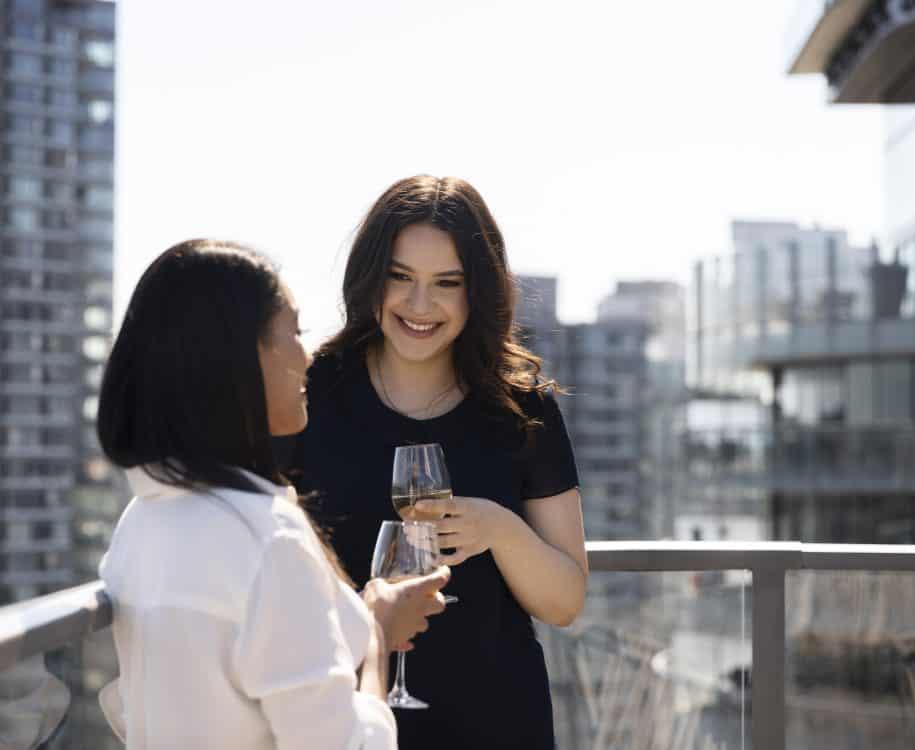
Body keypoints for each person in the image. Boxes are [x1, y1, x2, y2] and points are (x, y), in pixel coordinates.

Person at [96, 239, 450, 749]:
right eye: (293, 332)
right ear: (237, 360)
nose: (306, 355)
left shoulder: (144, 518)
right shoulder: (266, 538)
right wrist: (374, 641)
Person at [280, 176, 588, 749]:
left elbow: (565, 602)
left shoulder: (523, 409)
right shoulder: (310, 393)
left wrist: (499, 528)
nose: (420, 306)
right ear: (371, 278)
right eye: (401, 277)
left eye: (447, 283)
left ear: (479, 291)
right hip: (346, 724)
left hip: (498, 724)